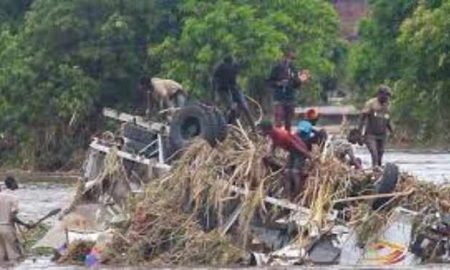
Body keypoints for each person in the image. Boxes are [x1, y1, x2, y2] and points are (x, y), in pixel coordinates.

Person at [259, 120, 311, 201]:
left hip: (299, 151)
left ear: (267, 129)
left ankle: (297, 196)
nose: (261, 132)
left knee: (295, 172)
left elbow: (296, 144)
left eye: (262, 130)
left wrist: (306, 154)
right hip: (292, 151)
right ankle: (288, 197)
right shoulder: (273, 134)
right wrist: (270, 153)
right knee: (286, 172)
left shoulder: (282, 134)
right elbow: (274, 144)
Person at [268, 49, 310, 131]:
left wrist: (301, 80)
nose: (287, 61)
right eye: (286, 58)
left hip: (290, 97)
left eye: (290, 59)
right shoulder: (276, 68)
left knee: (289, 120)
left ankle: (288, 138)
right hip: (279, 97)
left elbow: (296, 84)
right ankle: (278, 136)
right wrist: (278, 83)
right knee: (278, 117)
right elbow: (269, 82)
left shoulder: (293, 68)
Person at [212, 56, 255, 131]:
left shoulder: (235, 66)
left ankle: (254, 129)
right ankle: (227, 126)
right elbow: (214, 80)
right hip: (223, 88)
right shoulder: (219, 68)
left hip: (233, 87)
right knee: (232, 109)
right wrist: (214, 94)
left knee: (244, 108)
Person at [358, 85, 394, 168]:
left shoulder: (388, 104)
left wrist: (392, 132)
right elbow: (362, 118)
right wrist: (359, 133)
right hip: (371, 135)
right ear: (380, 94)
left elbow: (387, 119)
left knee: (380, 155)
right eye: (386, 95)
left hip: (382, 135)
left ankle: (379, 173)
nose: (387, 98)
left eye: (388, 96)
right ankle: (375, 170)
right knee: (374, 154)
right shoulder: (371, 104)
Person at [0, 177, 32, 263]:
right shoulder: (13, 198)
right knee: (13, 257)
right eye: (16, 182)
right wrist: (25, 224)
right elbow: (12, 217)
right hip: (7, 228)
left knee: (2, 257)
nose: (17, 184)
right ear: (12, 184)